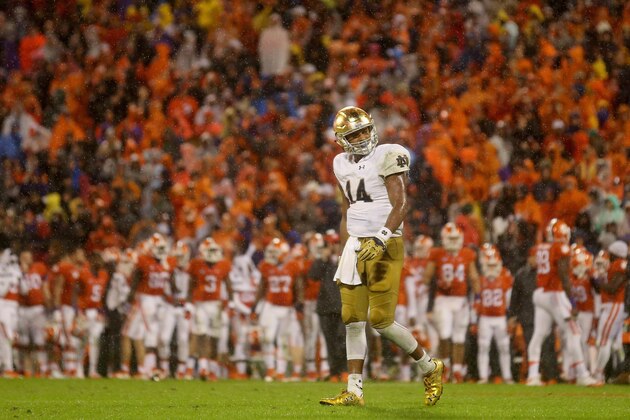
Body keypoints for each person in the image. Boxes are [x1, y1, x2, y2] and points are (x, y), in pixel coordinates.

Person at [320, 106, 442, 407]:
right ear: (342, 139)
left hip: (386, 242)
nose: (361, 137)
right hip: (355, 244)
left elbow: (401, 205)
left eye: (363, 130)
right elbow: (349, 210)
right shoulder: (339, 163)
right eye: (353, 134)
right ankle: (354, 390)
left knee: (381, 321)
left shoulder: (388, 154)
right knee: (352, 319)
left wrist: (382, 236)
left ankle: (429, 366)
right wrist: (345, 248)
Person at [526, 219, 598, 386]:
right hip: (554, 294)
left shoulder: (541, 247)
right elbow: (564, 277)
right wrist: (572, 302)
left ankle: (532, 375)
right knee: (574, 332)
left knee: (539, 334)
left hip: (540, 293)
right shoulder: (560, 248)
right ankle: (581, 374)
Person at [423, 223, 480, 383]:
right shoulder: (437, 253)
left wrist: (477, 300)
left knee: (459, 337)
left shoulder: (467, 253)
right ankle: (446, 366)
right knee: (445, 334)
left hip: (461, 299)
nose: (454, 241)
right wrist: (439, 282)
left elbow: (474, 277)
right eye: (451, 238)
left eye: (456, 238)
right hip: (443, 299)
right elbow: (427, 277)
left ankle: (457, 370)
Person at [473, 244, 514, 384]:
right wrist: (474, 320)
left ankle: (507, 376)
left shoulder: (505, 276)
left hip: (500, 317)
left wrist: (510, 318)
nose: (491, 268)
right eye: (488, 265)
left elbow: (509, 300)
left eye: (493, 265)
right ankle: (483, 376)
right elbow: (476, 300)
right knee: (483, 346)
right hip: (485, 318)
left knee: (504, 347)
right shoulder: (480, 278)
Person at [592, 241, 628, 382]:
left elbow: (612, 288)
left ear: (615, 253)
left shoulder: (620, 264)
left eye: (610, 252)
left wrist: (597, 280)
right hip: (610, 305)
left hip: (614, 305)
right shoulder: (613, 265)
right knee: (613, 343)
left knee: (604, 341)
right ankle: (620, 372)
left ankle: (599, 374)